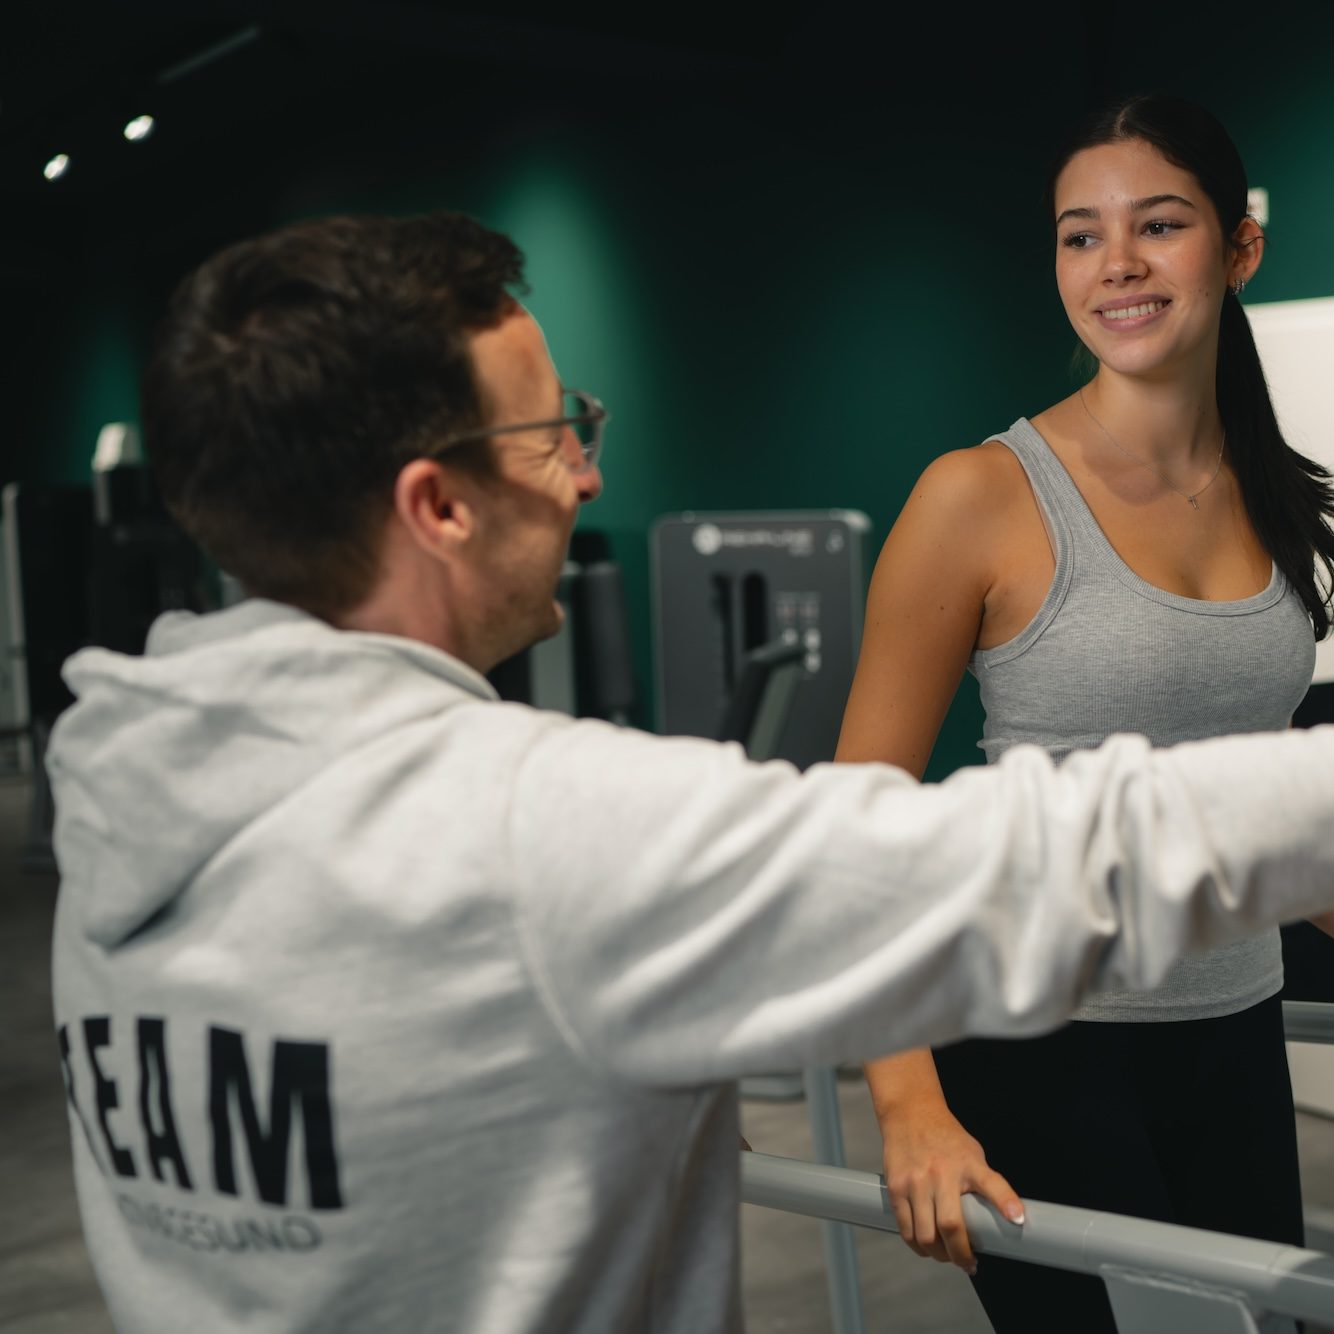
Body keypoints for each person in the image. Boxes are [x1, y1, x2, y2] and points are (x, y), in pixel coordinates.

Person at [47, 210, 1334, 1334]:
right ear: (438, 506)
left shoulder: (127, 794)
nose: (588, 472)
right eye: (555, 431)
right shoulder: (535, 830)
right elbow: (1039, 864)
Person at [838, 94, 1334, 1333]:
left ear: (1238, 247)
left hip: (1233, 1021)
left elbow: (1248, 789)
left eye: (1156, 224)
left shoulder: (1274, 495)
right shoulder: (977, 496)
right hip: (1034, 1033)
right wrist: (905, 1102)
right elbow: (855, 827)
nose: (1113, 262)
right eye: (1078, 234)